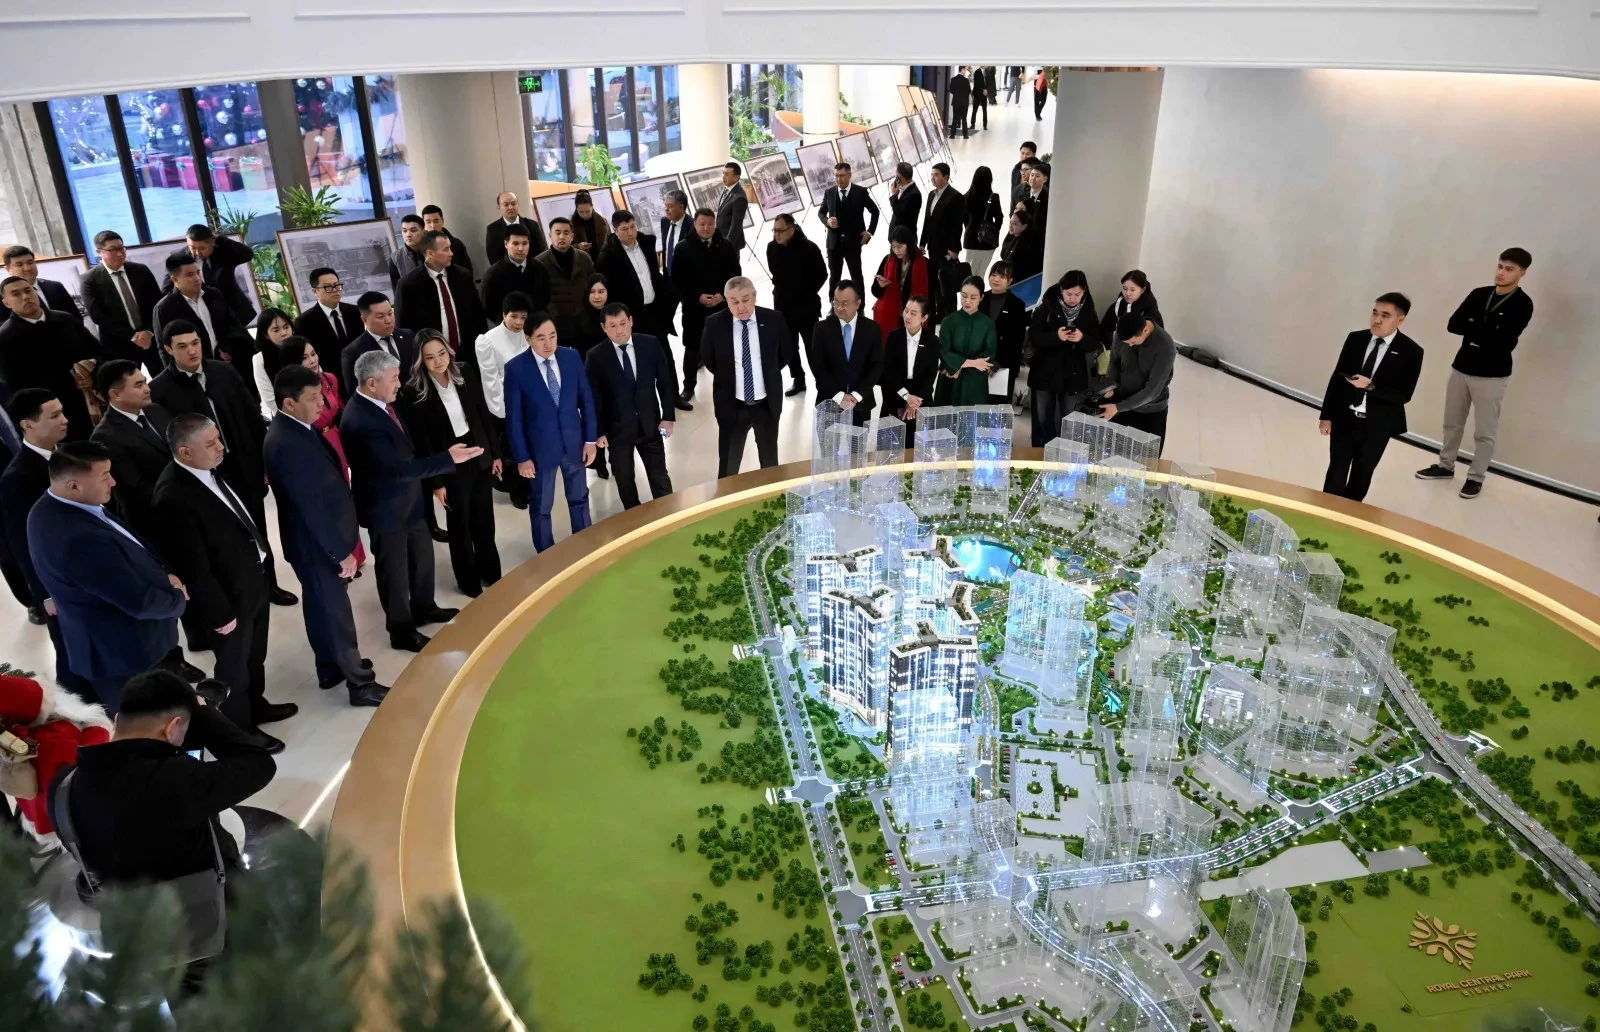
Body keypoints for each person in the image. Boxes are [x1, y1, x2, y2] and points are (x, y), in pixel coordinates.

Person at [49, 668, 276, 890]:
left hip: (124, 910)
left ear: (117, 720)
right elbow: (259, 763)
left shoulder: (63, 786)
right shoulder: (179, 779)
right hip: (204, 905)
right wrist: (203, 712)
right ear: (172, 727)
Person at [152, 414, 293, 748]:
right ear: (185, 452)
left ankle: (256, 705)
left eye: (218, 438)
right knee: (233, 667)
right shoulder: (173, 495)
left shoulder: (210, 469)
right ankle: (239, 729)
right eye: (211, 443)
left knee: (254, 654)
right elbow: (193, 566)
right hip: (228, 598)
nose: (221, 447)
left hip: (251, 580)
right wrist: (219, 613)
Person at [27, 442, 187, 713]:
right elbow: (139, 602)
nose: (113, 482)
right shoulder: (79, 540)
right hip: (124, 655)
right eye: (104, 476)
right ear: (74, 486)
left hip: (105, 642)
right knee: (147, 723)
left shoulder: (48, 508)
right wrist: (178, 598)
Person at [262, 365, 387, 705]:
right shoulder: (286, 442)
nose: (322, 403)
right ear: (288, 403)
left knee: (320, 608)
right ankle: (360, 684)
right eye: (313, 397)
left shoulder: (298, 428)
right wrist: (339, 553)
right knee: (336, 615)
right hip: (316, 546)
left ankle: (330, 668)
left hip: (314, 543)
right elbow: (309, 506)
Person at [150, 321, 295, 606]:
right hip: (206, 479)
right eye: (182, 346)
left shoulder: (223, 371)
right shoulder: (160, 389)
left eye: (195, 343)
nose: (192, 351)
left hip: (243, 467)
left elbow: (251, 416)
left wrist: (263, 463)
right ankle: (238, 596)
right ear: (168, 349)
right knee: (223, 540)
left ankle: (269, 585)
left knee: (257, 530)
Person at [342, 349, 475, 650]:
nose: (399, 383)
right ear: (372, 383)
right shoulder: (361, 420)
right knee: (395, 572)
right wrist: (447, 459)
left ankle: (425, 607)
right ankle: (401, 631)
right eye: (394, 378)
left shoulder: (382, 404)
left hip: (409, 500)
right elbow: (396, 470)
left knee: (422, 557)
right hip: (386, 509)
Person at [1414, 247, 1534, 499]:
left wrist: (1475, 324)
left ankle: (1475, 477)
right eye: (1500, 266)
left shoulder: (1523, 304)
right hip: (1461, 368)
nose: (1501, 273)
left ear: (1522, 273)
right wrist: (1487, 327)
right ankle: (1445, 466)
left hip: (1492, 375)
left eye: (1509, 269)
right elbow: (1453, 324)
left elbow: (1505, 341)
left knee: (1484, 432)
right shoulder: (1479, 294)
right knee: (1452, 422)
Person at [0, 390, 94, 700]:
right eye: (54, 416)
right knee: (72, 652)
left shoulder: (70, 456)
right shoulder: (18, 478)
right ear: (27, 424)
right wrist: (44, 595)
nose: (65, 420)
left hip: (89, 570)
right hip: (59, 583)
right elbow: (21, 543)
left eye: (62, 411)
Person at [402, 331, 502, 597]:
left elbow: (482, 413)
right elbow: (421, 441)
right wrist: (436, 482)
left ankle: (491, 572)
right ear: (420, 361)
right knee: (460, 525)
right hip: (448, 461)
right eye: (430, 357)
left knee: (484, 518)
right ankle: (468, 581)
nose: (438, 361)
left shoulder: (464, 371)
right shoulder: (413, 390)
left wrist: (494, 454)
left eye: (442, 353)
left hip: (477, 451)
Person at [503, 312, 597, 553]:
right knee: (541, 506)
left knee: (580, 498)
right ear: (528, 339)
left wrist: (590, 440)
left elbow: (586, 401)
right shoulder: (516, 369)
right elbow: (514, 420)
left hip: (574, 443)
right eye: (541, 338)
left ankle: (586, 549)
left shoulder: (571, 357)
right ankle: (546, 556)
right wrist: (522, 458)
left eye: (552, 336)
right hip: (540, 451)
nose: (548, 343)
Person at [1319, 293, 1424, 502]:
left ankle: (1350, 515)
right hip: (1345, 417)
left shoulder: (1411, 351)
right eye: (1375, 313)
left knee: (1362, 474)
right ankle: (1326, 512)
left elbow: (1403, 395)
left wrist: (1371, 386)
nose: (1377, 320)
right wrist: (1326, 415)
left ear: (1400, 320)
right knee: (1336, 471)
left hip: (1377, 425)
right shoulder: (1356, 339)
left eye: (1385, 315)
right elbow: (1337, 378)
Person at [278, 336, 363, 571]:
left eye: (313, 354)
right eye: (304, 357)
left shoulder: (329, 379)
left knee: (345, 495)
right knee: (329, 501)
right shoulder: (292, 393)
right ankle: (340, 554)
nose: (312, 360)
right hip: (317, 442)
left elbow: (341, 407)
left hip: (337, 437)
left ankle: (355, 552)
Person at [585, 302, 677, 507]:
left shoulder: (650, 344)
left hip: (650, 424)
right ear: (603, 328)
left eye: (623, 323)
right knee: (624, 479)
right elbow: (593, 398)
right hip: (617, 431)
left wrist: (668, 416)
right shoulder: (596, 356)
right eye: (612, 325)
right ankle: (635, 518)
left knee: (659, 476)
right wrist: (598, 432)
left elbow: (665, 382)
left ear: (631, 321)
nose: (619, 330)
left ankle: (669, 514)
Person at [703, 278, 790, 477]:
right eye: (734, 301)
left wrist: (766, 373)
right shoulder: (715, 323)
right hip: (732, 405)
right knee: (728, 467)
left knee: (770, 463)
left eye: (745, 299)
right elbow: (708, 359)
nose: (741, 307)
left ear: (754, 296)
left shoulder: (774, 319)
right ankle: (727, 496)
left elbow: (785, 353)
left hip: (766, 404)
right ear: (726, 300)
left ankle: (771, 492)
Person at [0, 274, 101, 440]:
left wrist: (91, 374)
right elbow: (15, 387)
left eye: (28, 291)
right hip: (52, 413)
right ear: (6, 303)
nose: (25, 297)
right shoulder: (5, 337)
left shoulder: (66, 319)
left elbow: (97, 352)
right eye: (16, 294)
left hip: (91, 399)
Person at [90, 360, 172, 542]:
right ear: (116, 394)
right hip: (156, 522)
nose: (147, 389)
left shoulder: (156, 410)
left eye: (145, 382)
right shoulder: (105, 437)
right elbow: (135, 489)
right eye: (138, 385)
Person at [153, 251, 254, 395]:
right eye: (190, 275)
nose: (197, 278)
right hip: (194, 371)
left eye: (198, 272)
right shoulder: (165, 308)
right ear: (175, 279)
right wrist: (177, 380)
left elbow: (233, 325)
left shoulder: (214, 294)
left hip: (226, 364)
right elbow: (164, 350)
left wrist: (227, 347)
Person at [670, 208, 741, 407]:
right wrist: (697, 297)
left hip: (721, 307)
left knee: (725, 347)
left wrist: (723, 295)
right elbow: (678, 281)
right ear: (695, 224)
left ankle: (729, 384)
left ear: (715, 224)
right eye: (702, 224)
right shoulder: (683, 248)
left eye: (710, 224)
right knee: (692, 347)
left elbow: (735, 275)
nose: (706, 228)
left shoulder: (726, 246)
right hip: (694, 309)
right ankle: (689, 386)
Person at [1028, 270, 1103, 446]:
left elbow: (1095, 342)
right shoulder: (1046, 308)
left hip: (1073, 375)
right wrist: (1056, 336)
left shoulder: (1088, 312)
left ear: (1084, 292)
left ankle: (1064, 455)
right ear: (1061, 289)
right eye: (1068, 294)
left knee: (1070, 421)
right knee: (1042, 418)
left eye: (1077, 294)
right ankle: (1040, 453)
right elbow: (1034, 337)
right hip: (1044, 372)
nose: (1072, 299)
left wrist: (1082, 338)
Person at [475, 291, 534, 512]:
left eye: (523, 317)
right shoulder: (488, 341)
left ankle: (531, 484)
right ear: (503, 314)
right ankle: (516, 490)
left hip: (531, 404)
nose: (519, 322)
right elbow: (491, 381)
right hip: (506, 408)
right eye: (514, 316)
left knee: (531, 446)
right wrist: (507, 412)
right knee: (513, 450)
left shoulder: (529, 334)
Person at [1099, 310, 1179, 453]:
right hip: (1122, 403)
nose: (1130, 345)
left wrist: (1118, 407)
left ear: (1145, 330)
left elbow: (1152, 391)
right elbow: (1115, 361)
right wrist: (1110, 385)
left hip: (1150, 410)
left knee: (1147, 457)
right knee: (1117, 453)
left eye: (1133, 342)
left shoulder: (1165, 346)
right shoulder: (1121, 335)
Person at [83, 231, 162, 375]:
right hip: (119, 345)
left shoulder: (141, 270)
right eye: (113, 250)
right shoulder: (90, 280)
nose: (120, 254)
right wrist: (134, 336)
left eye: (121, 248)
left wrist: (149, 331)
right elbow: (98, 316)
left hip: (151, 339)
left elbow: (157, 303)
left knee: (163, 380)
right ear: (99, 252)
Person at [397, 230, 486, 357]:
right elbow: (404, 326)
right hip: (430, 356)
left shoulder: (462, 275)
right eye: (446, 249)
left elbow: (478, 315)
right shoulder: (408, 284)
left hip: (467, 352)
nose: (451, 253)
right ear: (430, 253)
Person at [765, 213, 825, 398]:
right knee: (789, 347)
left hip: (806, 307)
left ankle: (822, 382)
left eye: (780, 230)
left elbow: (822, 274)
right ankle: (798, 380)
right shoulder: (771, 248)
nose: (777, 234)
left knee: (812, 347)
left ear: (792, 229)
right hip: (783, 307)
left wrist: (805, 292)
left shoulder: (809, 248)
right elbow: (774, 271)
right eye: (774, 230)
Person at [809, 281, 882, 427]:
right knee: (829, 442)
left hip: (861, 403)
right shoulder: (821, 328)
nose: (839, 308)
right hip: (830, 401)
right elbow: (818, 366)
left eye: (844, 303)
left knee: (858, 442)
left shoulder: (872, 329)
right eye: (836, 302)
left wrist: (856, 396)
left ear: (858, 303)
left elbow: (877, 365)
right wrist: (839, 396)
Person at [596, 209, 672, 346]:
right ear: (615, 231)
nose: (630, 232)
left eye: (632, 226)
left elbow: (655, 275)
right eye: (624, 229)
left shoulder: (646, 243)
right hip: (632, 317)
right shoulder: (608, 256)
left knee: (664, 352)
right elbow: (609, 291)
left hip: (656, 310)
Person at [569, 274, 613, 480]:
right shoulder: (578, 318)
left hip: (613, 374)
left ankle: (617, 457)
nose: (597, 296)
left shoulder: (614, 315)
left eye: (601, 291)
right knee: (595, 417)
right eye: (593, 292)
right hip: (590, 377)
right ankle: (599, 461)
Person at [879, 296, 940, 439]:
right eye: (906, 311)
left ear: (924, 317)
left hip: (921, 396)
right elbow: (889, 371)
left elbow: (930, 375)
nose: (907, 316)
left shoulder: (932, 340)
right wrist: (907, 397)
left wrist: (914, 401)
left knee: (920, 442)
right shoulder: (893, 336)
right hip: (896, 393)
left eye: (913, 313)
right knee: (890, 442)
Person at [341, 291, 418, 403]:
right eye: (380, 316)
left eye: (390, 313)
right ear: (364, 319)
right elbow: (357, 395)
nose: (388, 320)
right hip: (387, 408)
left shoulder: (408, 335)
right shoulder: (353, 352)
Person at [820, 163, 880, 298]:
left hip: (853, 242)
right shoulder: (829, 192)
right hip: (834, 243)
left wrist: (869, 232)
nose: (839, 179)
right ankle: (833, 303)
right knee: (834, 276)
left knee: (856, 275)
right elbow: (821, 213)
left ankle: (860, 304)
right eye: (836, 176)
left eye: (842, 175)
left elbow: (875, 212)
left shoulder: (860, 192)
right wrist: (827, 221)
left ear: (849, 175)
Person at [536, 217, 598, 349]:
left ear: (572, 236)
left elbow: (595, 287)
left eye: (566, 233)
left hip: (587, 323)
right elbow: (538, 300)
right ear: (550, 236)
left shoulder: (584, 258)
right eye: (557, 233)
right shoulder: (539, 263)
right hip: (558, 328)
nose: (561, 237)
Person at [936, 277, 998, 406]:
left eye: (973, 297)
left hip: (974, 380)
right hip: (951, 376)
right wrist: (970, 363)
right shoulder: (948, 321)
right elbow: (944, 350)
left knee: (971, 415)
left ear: (981, 297)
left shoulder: (988, 323)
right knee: (947, 413)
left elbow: (990, 352)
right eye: (964, 296)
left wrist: (959, 364)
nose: (967, 301)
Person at [292, 266, 364, 375]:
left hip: (361, 373)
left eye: (337, 285)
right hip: (330, 378)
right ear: (315, 291)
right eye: (328, 287)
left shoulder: (355, 311)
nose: (335, 290)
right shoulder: (304, 322)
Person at [480, 222, 552, 327]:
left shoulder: (540, 268)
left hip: (537, 327)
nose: (520, 248)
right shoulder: (493, 274)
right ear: (506, 244)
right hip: (509, 329)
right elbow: (488, 307)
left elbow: (546, 298)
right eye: (515, 243)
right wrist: (509, 324)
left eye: (524, 243)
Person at [180, 224, 256, 324]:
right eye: (192, 247)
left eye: (202, 248)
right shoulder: (181, 258)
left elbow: (248, 254)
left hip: (232, 312)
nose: (197, 252)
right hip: (202, 314)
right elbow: (168, 286)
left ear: (213, 242)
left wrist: (221, 239)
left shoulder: (224, 253)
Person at [921, 163, 965, 317]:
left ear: (946, 177)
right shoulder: (931, 195)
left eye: (936, 175)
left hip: (947, 250)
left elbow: (957, 226)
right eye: (932, 174)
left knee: (948, 282)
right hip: (933, 248)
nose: (933, 178)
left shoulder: (955, 197)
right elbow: (927, 221)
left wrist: (953, 249)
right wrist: (922, 243)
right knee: (935, 282)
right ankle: (939, 313)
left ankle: (951, 314)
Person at [0, 245, 80, 327]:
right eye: (19, 265)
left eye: (30, 262)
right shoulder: (2, 295)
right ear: (8, 269)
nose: (27, 268)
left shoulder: (56, 287)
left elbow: (75, 317)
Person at [870, 227, 930, 334]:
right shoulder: (888, 260)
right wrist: (880, 286)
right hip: (893, 311)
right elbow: (875, 291)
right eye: (893, 247)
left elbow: (930, 294)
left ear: (909, 245)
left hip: (912, 312)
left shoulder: (924, 263)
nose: (896, 250)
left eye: (900, 246)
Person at [983, 261, 1028, 402]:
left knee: (997, 408)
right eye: (993, 275)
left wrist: (997, 363)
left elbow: (1016, 340)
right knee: (976, 405)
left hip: (1003, 365)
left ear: (1010, 281)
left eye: (1002, 277)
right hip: (979, 362)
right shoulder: (980, 298)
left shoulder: (1017, 305)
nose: (996, 279)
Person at [656, 189, 691, 360]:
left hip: (686, 283)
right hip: (668, 279)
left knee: (689, 321)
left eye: (670, 206)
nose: (666, 210)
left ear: (681, 207)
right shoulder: (665, 222)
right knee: (662, 318)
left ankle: (695, 355)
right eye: (665, 206)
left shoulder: (692, 226)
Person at [961, 166, 1004, 282]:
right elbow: (999, 217)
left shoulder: (965, 197)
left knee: (968, 274)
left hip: (970, 240)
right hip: (988, 241)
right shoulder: (993, 197)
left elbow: (964, 219)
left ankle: (968, 292)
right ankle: (979, 292)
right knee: (981, 273)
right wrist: (994, 230)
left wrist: (970, 228)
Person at [1100, 269, 1164, 344]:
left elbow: (1156, 340)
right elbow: (1104, 330)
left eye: (1132, 290)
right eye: (1125, 288)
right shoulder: (1117, 306)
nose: (1127, 293)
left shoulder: (1151, 312)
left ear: (1142, 290)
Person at [252, 307, 297, 413]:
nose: (284, 333)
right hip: (282, 414)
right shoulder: (260, 360)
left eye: (286, 327)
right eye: (276, 330)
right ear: (266, 334)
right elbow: (270, 400)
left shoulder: (303, 347)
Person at [485, 190, 547, 265]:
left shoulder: (532, 225)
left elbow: (541, 252)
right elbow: (494, 258)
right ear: (499, 207)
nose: (510, 207)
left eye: (513, 204)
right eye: (506, 205)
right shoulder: (493, 229)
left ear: (518, 204)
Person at [419, 205, 473, 277]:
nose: (433, 225)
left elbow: (467, 270)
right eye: (428, 222)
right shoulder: (420, 247)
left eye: (436, 221)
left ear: (442, 221)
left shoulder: (456, 244)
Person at [1000, 209, 1044, 283]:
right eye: (1010, 222)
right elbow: (1003, 255)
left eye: (1015, 224)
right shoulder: (1012, 237)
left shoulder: (1027, 244)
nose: (1010, 226)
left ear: (1024, 226)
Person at [715, 163, 750, 252]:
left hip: (730, 245)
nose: (723, 176)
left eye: (726, 174)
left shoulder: (739, 197)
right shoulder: (726, 188)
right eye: (723, 173)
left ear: (736, 178)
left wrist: (727, 246)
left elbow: (735, 226)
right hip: (720, 240)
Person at [388, 213, 428, 291]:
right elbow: (396, 289)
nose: (408, 235)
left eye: (413, 230)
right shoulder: (396, 258)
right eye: (404, 231)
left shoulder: (433, 251)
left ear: (423, 231)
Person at [887, 162, 922, 241]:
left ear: (899, 177)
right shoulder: (904, 189)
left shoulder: (914, 195)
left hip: (904, 239)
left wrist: (894, 196)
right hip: (898, 237)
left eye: (896, 176)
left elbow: (899, 214)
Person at [1012, 164, 1049, 233]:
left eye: (1037, 176)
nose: (1033, 178)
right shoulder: (1022, 197)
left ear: (1045, 179)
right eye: (1032, 175)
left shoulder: (1048, 198)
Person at [949, 68, 972, 139]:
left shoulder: (953, 79)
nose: (965, 71)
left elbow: (951, 90)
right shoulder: (966, 80)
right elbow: (969, 91)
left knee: (955, 118)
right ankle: (965, 135)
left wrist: (957, 94)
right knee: (964, 119)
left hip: (956, 101)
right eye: (965, 70)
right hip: (964, 102)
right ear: (962, 70)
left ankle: (952, 135)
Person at [969, 65, 990, 132]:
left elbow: (989, 82)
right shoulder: (977, 72)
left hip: (985, 95)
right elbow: (976, 84)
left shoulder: (987, 71)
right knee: (975, 110)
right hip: (978, 93)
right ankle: (972, 124)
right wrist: (983, 90)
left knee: (985, 110)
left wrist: (986, 90)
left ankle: (985, 125)